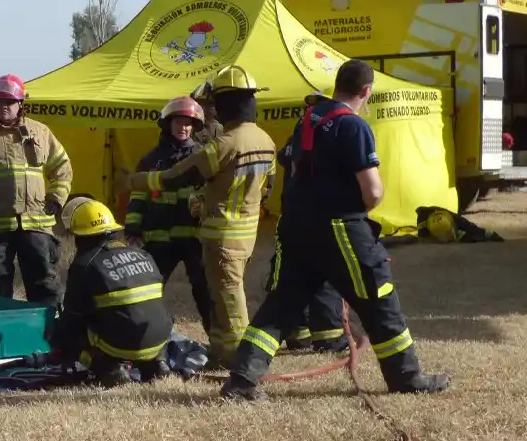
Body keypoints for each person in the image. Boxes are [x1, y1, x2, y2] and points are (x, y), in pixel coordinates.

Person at [220, 60, 451, 401]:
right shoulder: (353, 126)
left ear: (337, 85)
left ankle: (241, 380)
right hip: (340, 227)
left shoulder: (308, 120)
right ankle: (406, 376)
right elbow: (372, 192)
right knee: (378, 296)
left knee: (283, 304)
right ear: (366, 91)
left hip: (296, 227)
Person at [128, 65, 277, 369]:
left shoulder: (224, 144)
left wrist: (138, 181)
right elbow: (266, 189)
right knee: (219, 297)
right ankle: (220, 352)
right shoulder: (265, 140)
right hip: (246, 233)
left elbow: (177, 177)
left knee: (229, 300)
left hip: (221, 235)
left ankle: (241, 361)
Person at [0, 74, 73, 308]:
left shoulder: (40, 132)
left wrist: (57, 197)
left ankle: (50, 328)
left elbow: (62, 167)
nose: (4, 106)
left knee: (45, 285)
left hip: (36, 224)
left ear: (21, 103)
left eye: (9, 101)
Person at [50, 196, 174, 387]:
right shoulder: (143, 254)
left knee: (68, 335)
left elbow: (73, 318)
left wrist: (57, 336)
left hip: (121, 344)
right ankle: (158, 363)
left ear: (80, 235)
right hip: (160, 337)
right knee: (142, 314)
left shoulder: (85, 265)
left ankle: (109, 368)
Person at [124, 96, 213, 338]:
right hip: (159, 238)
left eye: (188, 123)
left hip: (194, 238)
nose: (183, 128)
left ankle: (218, 340)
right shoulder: (152, 159)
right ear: (168, 124)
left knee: (205, 290)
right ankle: (144, 339)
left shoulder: (203, 157)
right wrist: (133, 230)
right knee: (148, 290)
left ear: (194, 127)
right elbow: (138, 196)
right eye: (178, 122)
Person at [268, 120, 349, 354]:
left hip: (292, 221)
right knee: (324, 278)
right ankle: (329, 338)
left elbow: (284, 157)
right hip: (319, 221)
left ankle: (298, 334)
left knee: (294, 276)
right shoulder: (329, 144)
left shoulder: (295, 144)